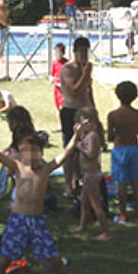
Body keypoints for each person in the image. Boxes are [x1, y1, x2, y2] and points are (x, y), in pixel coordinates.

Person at [0, 127, 88, 274]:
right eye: (27, 151)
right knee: (5, 257)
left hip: (37, 221)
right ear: (19, 153)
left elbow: (66, 153)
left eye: (35, 151)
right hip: (18, 219)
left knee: (54, 259)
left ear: (41, 152)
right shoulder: (17, 167)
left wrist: (76, 135)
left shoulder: (46, 169)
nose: (32, 155)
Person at [58, 36, 95, 195]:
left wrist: (94, 108)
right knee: (70, 148)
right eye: (80, 52)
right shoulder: (68, 69)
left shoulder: (85, 68)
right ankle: (68, 184)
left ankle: (79, 181)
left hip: (86, 110)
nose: (83, 55)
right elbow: (74, 90)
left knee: (87, 148)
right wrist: (85, 74)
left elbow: (88, 90)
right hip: (71, 111)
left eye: (86, 52)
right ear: (74, 52)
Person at [107, 80, 138, 224]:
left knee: (121, 184)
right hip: (134, 148)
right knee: (137, 183)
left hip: (119, 150)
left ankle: (123, 215)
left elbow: (110, 137)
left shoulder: (113, 115)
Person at [70, 107, 111, 240]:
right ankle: (82, 225)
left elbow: (91, 154)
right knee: (84, 202)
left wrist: (79, 146)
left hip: (92, 175)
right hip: (86, 174)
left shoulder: (93, 136)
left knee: (95, 204)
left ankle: (106, 232)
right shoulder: (86, 135)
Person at [49, 43, 67, 112]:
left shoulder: (66, 63)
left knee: (62, 106)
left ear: (63, 53)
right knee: (57, 106)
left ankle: (63, 122)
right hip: (57, 88)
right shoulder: (54, 63)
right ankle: (59, 122)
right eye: (55, 53)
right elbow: (52, 74)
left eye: (58, 52)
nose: (57, 54)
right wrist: (51, 79)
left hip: (64, 89)